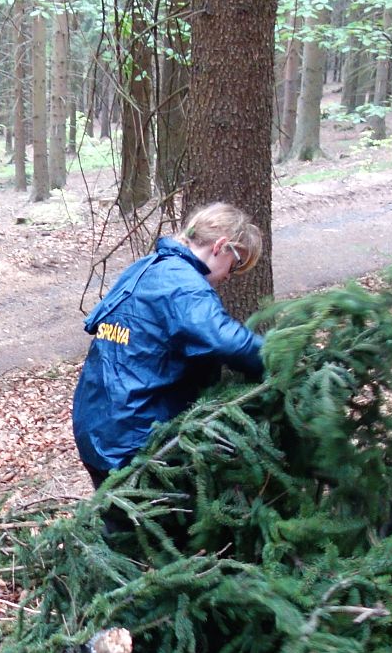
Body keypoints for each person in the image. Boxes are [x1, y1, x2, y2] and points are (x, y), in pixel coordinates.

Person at [72, 202, 266, 487]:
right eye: (235, 266)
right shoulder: (183, 285)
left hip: (98, 426)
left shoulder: (148, 268)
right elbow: (226, 340)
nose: (228, 276)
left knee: (120, 511)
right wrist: (281, 355)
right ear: (221, 246)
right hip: (134, 437)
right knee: (167, 512)